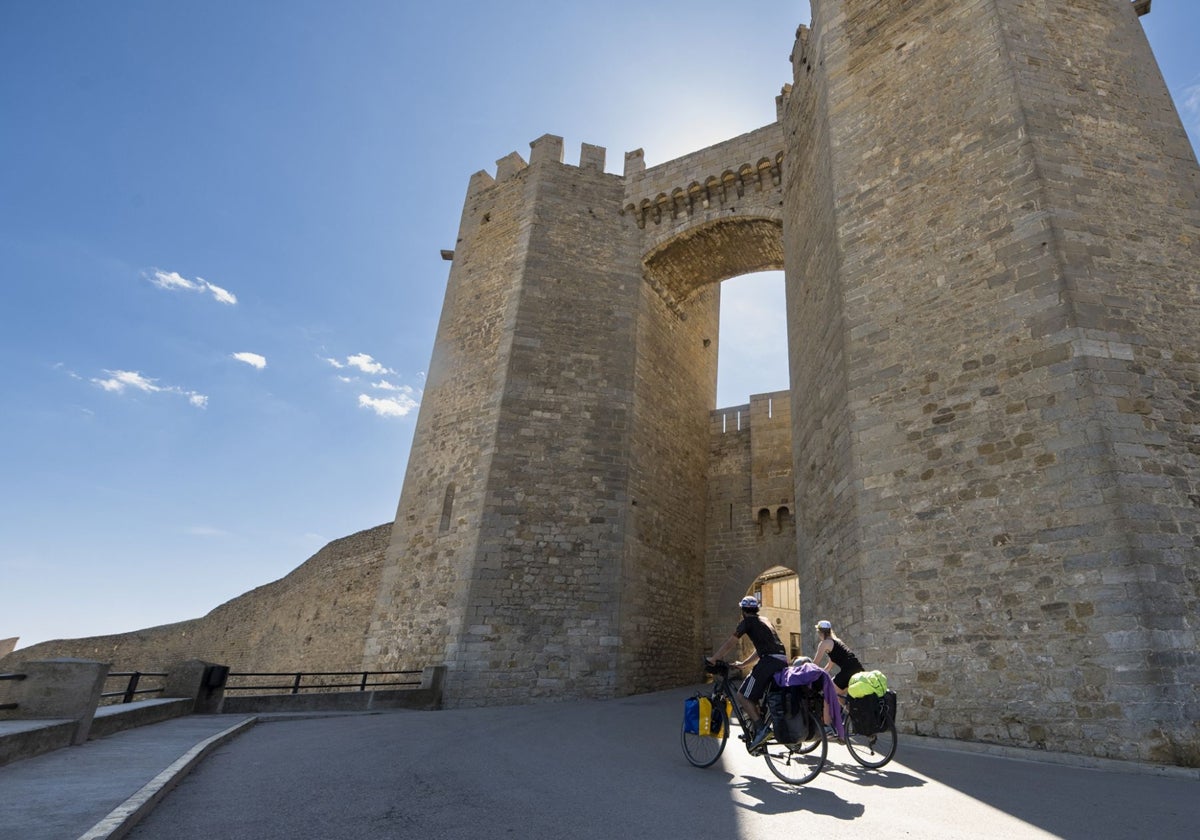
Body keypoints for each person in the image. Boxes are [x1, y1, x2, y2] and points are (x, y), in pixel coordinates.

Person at [707, 595, 789, 751]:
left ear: (743, 610)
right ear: (756, 609)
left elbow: (731, 642)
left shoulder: (747, 622)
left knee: (742, 696)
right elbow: (762, 649)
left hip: (769, 662)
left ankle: (761, 729)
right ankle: (755, 726)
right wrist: (744, 664)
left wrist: (714, 658)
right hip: (781, 660)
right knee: (754, 694)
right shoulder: (765, 621)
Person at [812, 619, 864, 697]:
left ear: (820, 632)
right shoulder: (837, 642)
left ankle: (845, 708)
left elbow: (815, 664)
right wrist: (822, 675)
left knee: (830, 691)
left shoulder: (824, 643)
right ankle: (847, 708)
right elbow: (829, 667)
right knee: (838, 693)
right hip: (858, 668)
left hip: (848, 671)